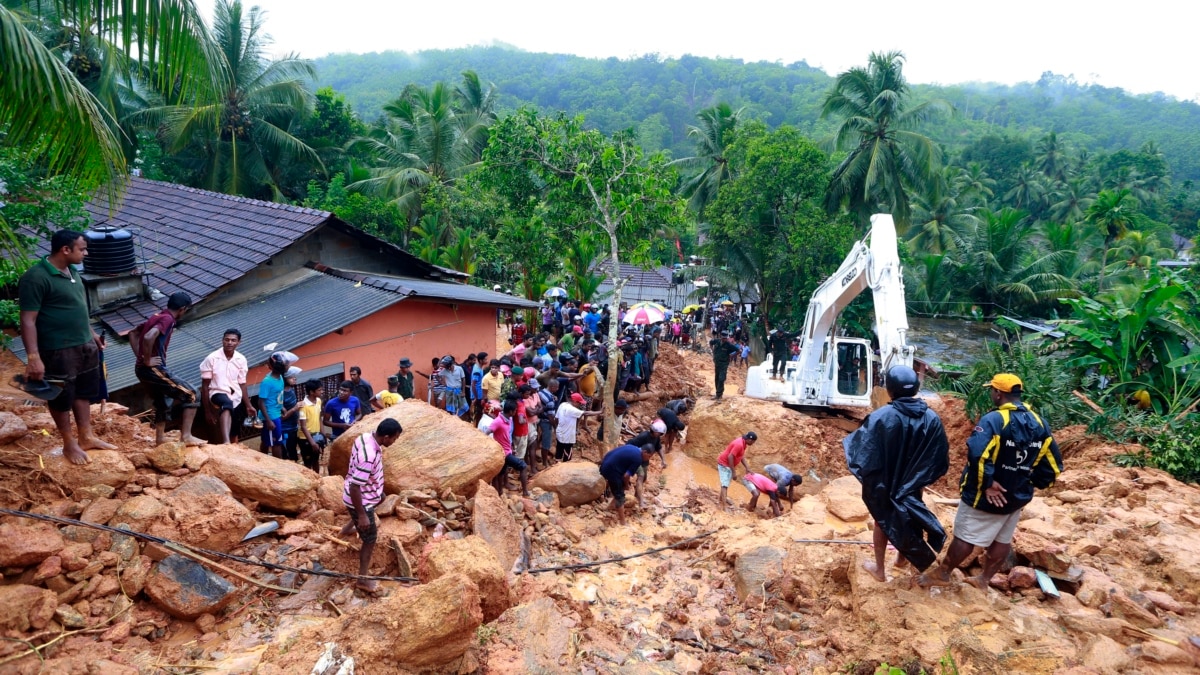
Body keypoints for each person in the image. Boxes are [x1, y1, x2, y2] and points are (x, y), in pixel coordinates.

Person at [917, 373, 1062, 590]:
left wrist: (988, 483)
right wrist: (1029, 483)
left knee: (964, 537)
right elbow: (1052, 465)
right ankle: (984, 579)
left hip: (985, 496)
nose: (991, 393)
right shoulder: (1040, 423)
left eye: (992, 390)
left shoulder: (994, 420)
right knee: (1002, 540)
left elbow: (978, 453)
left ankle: (943, 573)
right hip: (1015, 496)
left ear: (998, 393)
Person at [843, 365, 949, 582]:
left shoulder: (881, 417)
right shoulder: (932, 418)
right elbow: (938, 456)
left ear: (889, 390)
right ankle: (901, 560)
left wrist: (874, 480)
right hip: (914, 483)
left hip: (886, 483)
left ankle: (879, 569)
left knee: (884, 520)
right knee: (910, 514)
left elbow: (864, 453)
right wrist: (919, 478)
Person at [133, 292, 207, 447]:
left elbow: (134, 333)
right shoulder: (168, 319)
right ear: (182, 309)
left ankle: (160, 438)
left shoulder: (157, 315)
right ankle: (186, 436)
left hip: (142, 369)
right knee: (193, 394)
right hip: (152, 368)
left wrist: (140, 358)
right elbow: (148, 337)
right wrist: (147, 360)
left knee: (163, 399)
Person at [340, 418, 403, 595]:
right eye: (394, 438)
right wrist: (361, 515)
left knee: (372, 508)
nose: (394, 442)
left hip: (367, 494)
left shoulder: (365, 437)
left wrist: (378, 491)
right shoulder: (368, 456)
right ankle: (362, 579)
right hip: (360, 499)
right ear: (386, 436)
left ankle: (345, 530)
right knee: (369, 539)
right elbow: (355, 486)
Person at [200, 329, 251, 444]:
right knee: (226, 403)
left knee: (235, 430)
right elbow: (204, 386)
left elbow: (242, 383)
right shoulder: (212, 358)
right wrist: (207, 411)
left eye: (233, 340)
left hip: (236, 396)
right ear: (222, 341)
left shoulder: (241, 359)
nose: (230, 343)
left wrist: (248, 405)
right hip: (217, 392)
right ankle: (226, 442)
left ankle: (233, 449)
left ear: (239, 342)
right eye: (227, 340)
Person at [600, 444, 655, 525]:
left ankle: (610, 507)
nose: (648, 459)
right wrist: (626, 485)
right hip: (611, 471)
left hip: (605, 465)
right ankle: (623, 522)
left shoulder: (633, 447)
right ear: (645, 452)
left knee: (619, 486)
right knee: (620, 496)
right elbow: (626, 476)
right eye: (649, 456)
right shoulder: (638, 459)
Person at [489, 399, 530, 496]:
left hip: (507, 451)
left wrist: (511, 448)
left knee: (501, 473)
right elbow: (487, 431)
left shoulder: (509, 419)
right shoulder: (498, 421)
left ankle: (499, 493)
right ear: (511, 411)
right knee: (523, 466)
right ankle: (525, 492)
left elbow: (507, 435)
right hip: (504, 453)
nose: (516, 412)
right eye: (515, 411)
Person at [626, 420, 667, 508]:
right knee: (641, 476)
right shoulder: (643, 436)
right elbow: (630, 444)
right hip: (636, 458)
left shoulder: (657, 437)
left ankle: (637, 496)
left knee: (643, 478)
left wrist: (663, 460)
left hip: (645, 460)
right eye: (658, 432)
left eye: (660, 433)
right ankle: (640, 501)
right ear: (653, 430)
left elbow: (659, 448)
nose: (658, 434)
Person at [256, 352, 289, 458]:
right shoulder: (267, 382)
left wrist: (281, 407)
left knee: (267, 440)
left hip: (276, 412)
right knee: (276, 442)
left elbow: (277, 395)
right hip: (270, 415)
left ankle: (262, 459)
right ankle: (277, 464)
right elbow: (261, 402)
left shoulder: (280, 378)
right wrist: (269, 420)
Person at [554, 392, 602, 462]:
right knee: (567, 455)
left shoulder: (562, 404)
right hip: (567, 437)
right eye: (579, 403)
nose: (580, 405)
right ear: (574, 401)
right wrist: (600, 412)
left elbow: (556, 419)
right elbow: (586, 413)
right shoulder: (571, 409)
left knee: (559, 451)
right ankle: (565, 469)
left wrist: (558, 428)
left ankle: (556, 465)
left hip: (560, 433)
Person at [717, 431, 756, 508]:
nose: (753, 444)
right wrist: (733, 472)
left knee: (725, 483)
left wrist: (747, 468)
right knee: (725, 485)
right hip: (724, 464)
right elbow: (730, 457)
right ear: (750, 440)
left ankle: (721, 499)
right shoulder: (739, 444)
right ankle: (724, 507)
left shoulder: (744, 443)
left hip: (727, 465)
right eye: (753, 442)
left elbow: (741, 456)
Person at [297, 379, 325, 473]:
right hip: (305, 438)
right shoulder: (303, 406)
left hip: (316, 436)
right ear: (311, 392)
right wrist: (312, 443)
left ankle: (317, 479)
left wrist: (323, 435)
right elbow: (303, 426)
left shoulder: (318, 401)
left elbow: (319, 418)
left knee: (316, 460)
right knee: (308, 463)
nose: (322, 391)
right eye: (319, 390)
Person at [280, 366, 302, 462]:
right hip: (285, 430)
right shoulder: (280, 394)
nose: (294, 379)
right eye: (291, 377)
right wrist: (295, 408)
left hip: (294, 428)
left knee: (293, 453)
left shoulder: (291, 390)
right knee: (288, 457)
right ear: (284, 379)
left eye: (294, 377)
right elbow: (281, 417)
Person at [709, 331, 739, 400]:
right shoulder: (717, 341)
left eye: (725, 338)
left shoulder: (729, 345)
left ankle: (719, 395)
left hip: (724, 364)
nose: (724, 339)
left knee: (721, 379)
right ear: (721, 337)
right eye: (723, 338)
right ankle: (717, 394)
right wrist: (712, 350)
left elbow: (738, 351)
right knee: (717, 378)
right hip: (717, 363)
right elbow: (710, 342)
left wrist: (732, 356)